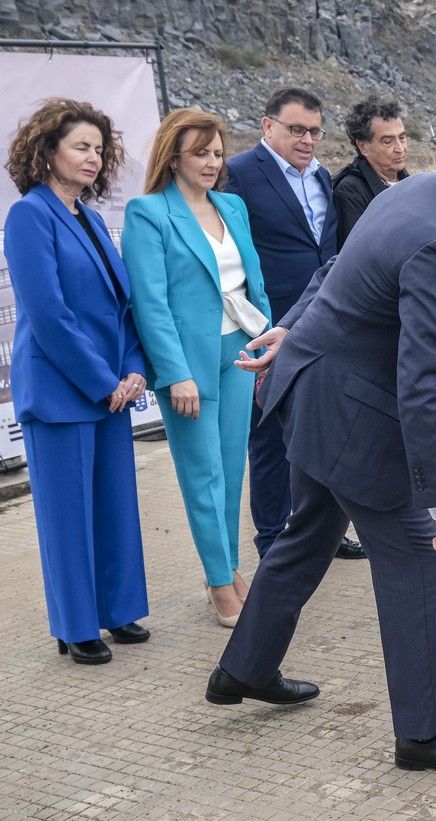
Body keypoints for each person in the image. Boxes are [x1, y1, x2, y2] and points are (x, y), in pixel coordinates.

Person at [204, 114, 436, 775]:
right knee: (418, 556)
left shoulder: (420, 191)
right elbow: (421, 384)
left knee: (308, 530)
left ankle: (244, 667)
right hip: (351, 414)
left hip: (317, 391)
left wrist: (295, 330)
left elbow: (337, 268)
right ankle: (425, 733)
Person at [3, 98, 150, 664]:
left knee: (115, 507)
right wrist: (102, 381)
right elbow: (48, 313)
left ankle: (117, 611)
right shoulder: (29, 215)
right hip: (65, 393)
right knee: (67, 517)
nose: (94, 158)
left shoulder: (88, 216)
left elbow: (121, 305)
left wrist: (134, 369)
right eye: (81, 147)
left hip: (112, 391)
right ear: (47, 152)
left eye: (99, 149)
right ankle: (75, 625)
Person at [122, 108, 272, 628]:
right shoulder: (149, 214)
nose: (212, 162)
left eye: (216, 152)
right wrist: (175, 372)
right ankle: (217, 582)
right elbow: (151, 304)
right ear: (173, 157)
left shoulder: (231, 206)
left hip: (239, 354)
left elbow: (253, 280)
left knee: (232, 472)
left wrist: (267, 337)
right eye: (200, 153)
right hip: (188, 366)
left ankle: (230, 568)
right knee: (202, 474)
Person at [226, 88, 364, 560]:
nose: (307, 140)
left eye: (314, 131)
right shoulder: (239, 174)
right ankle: (271, 538)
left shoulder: (323, 176)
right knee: (268, 434)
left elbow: (326, 250)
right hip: (268, 323)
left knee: (321, 426)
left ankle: (321, 530)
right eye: (296, 130)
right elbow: (233, 255)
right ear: (268, 126)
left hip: (323, 321)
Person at [334, 95, 409, 247]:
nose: (400, 149)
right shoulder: (351, 191)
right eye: (388, 141)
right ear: (363, 146)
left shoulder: (409, 182)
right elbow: (360, 251)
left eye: (402, 138)